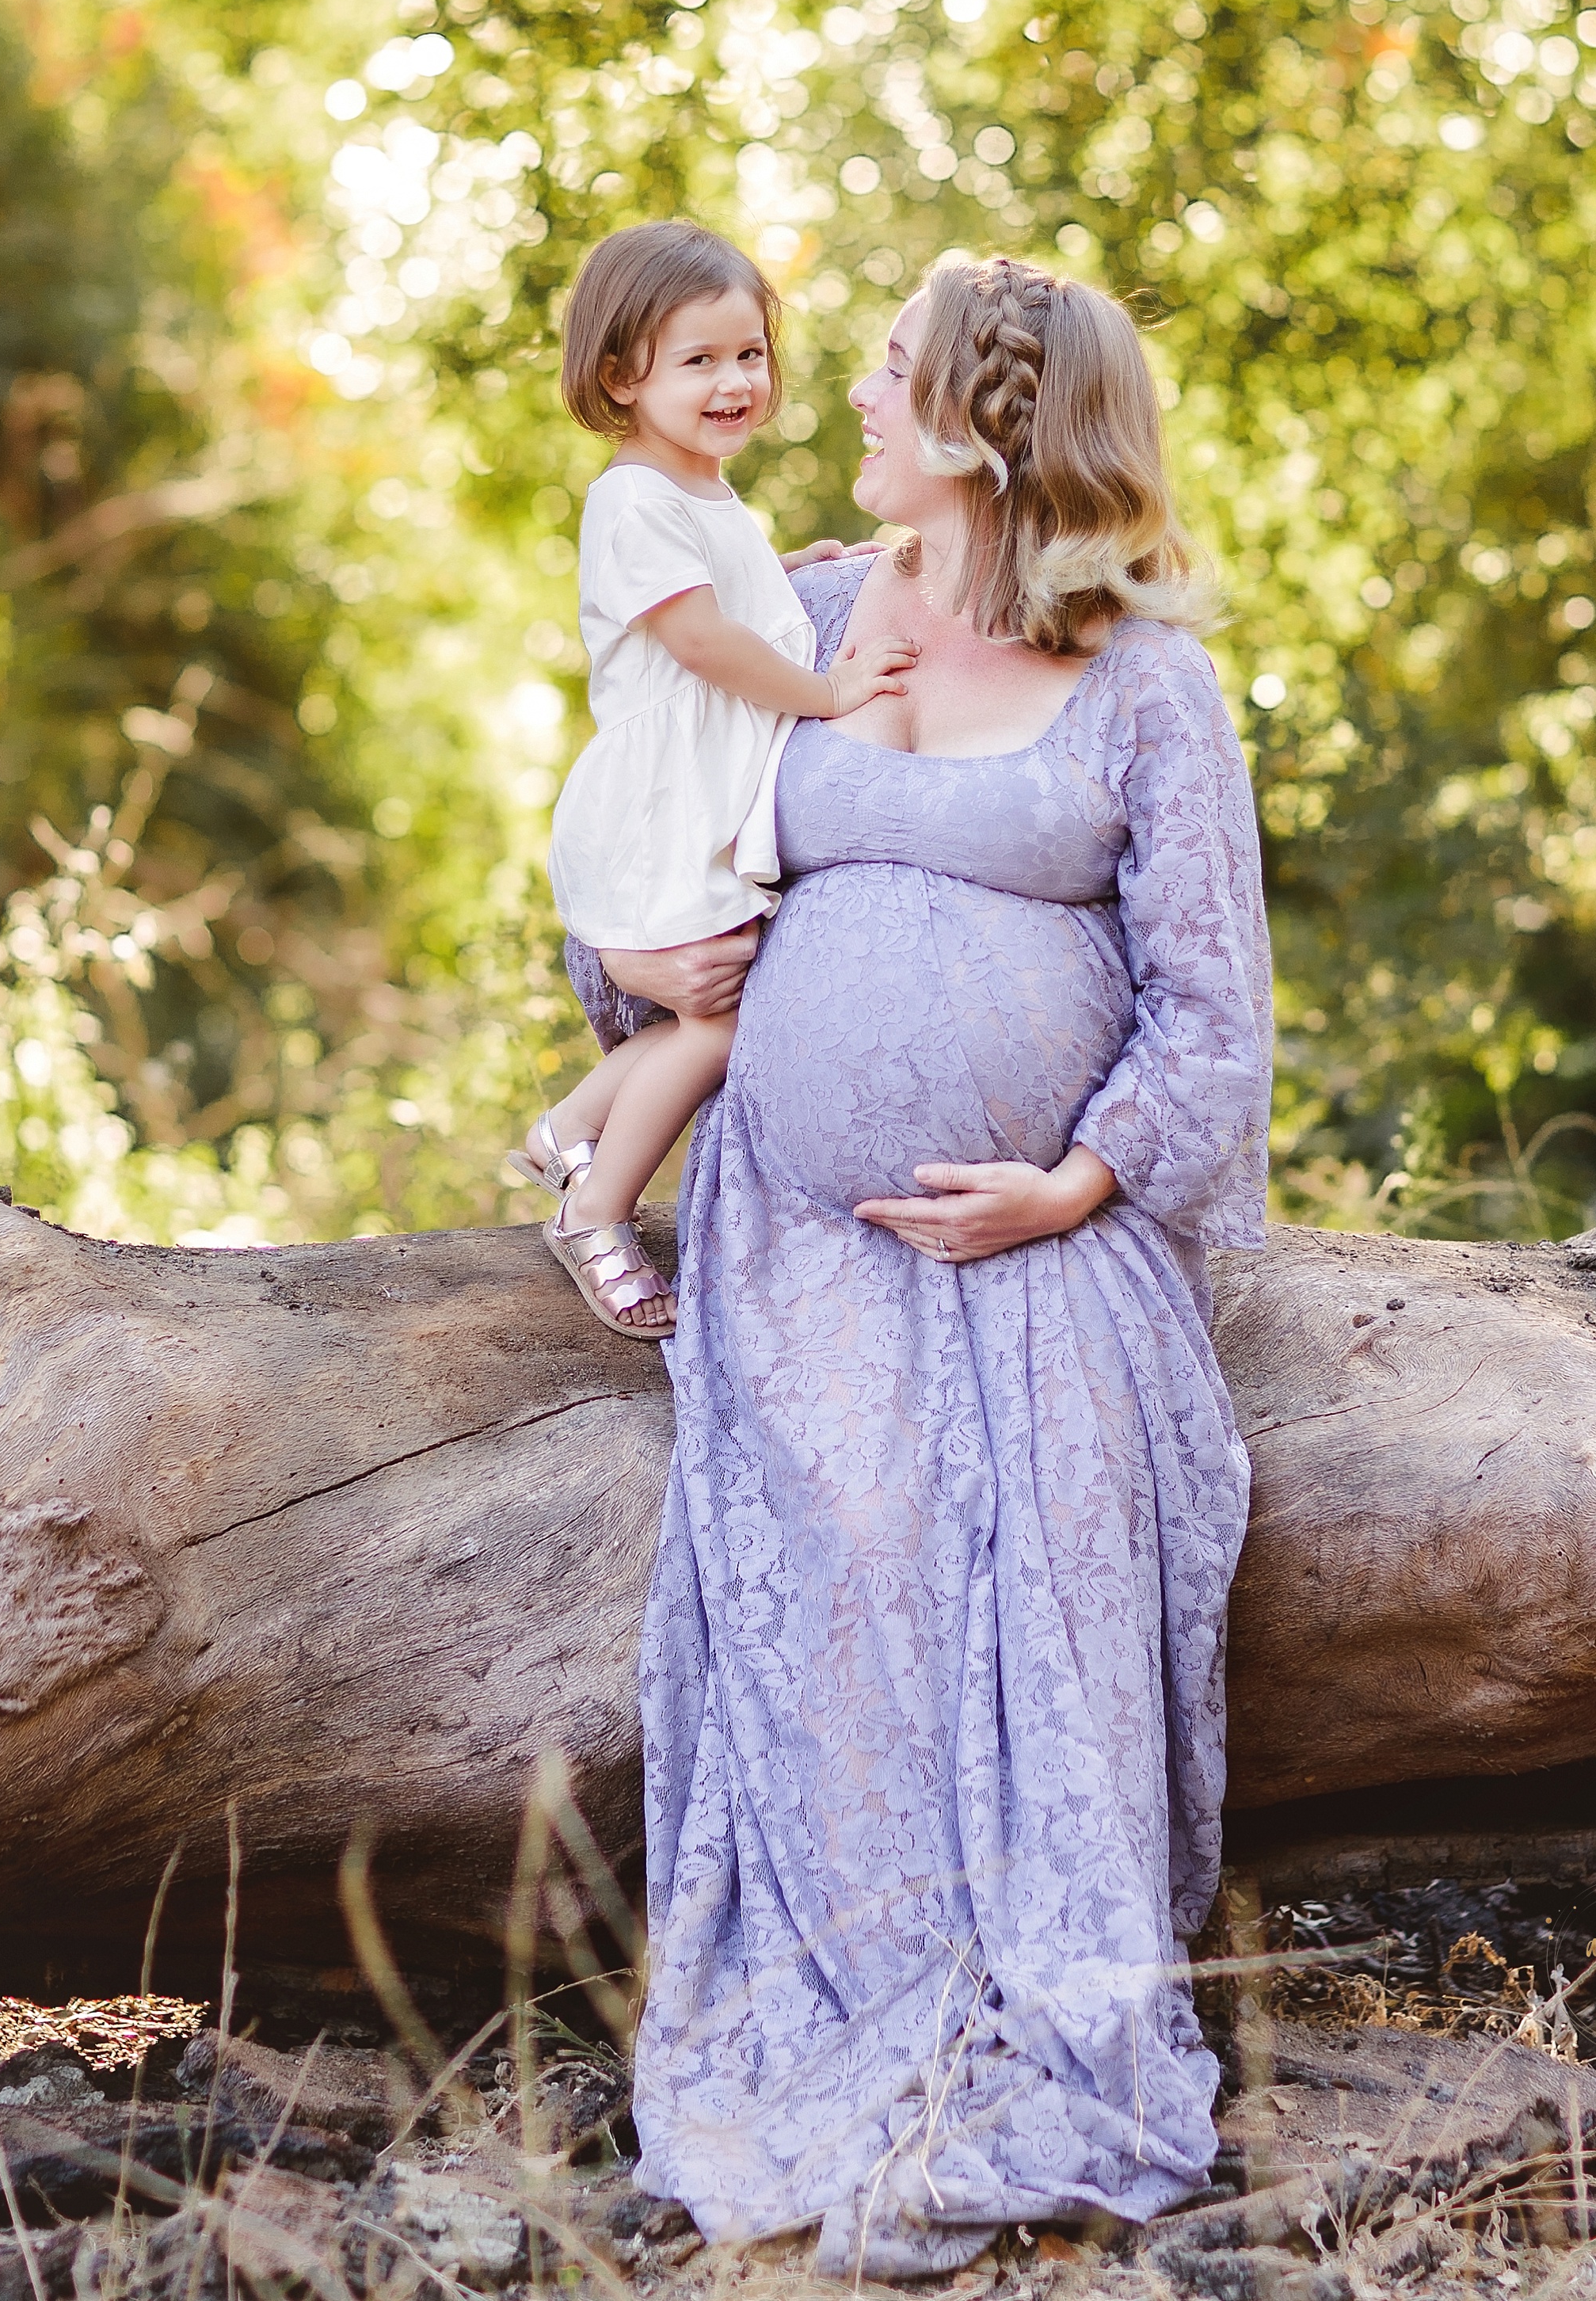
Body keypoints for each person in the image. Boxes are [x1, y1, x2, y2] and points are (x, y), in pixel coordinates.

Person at [566, 255, 1272, 2274]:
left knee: (1049, 1587)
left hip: (1047, 1257)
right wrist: (628, 961)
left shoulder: (1140, 679)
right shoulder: (780, 609)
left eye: (881, 374)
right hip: (800, 1257)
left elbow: (1214, 1012)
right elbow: (629, 824)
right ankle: (836, 2013)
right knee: (842, 1587)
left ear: (986, 425)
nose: (836, 401)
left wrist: (1073, 1186)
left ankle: (1026, 2043)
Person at [513, 222, 915, 1337]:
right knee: (717, 1019)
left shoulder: (698, 494)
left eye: (749, 354)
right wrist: (826, 689)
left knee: (716, 1004)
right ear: (619, 376)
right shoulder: (632, 497)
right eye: (698, 361)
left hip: (689, 810)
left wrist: (792, 577)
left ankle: (565, 1131)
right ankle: (594, 1210)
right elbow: (696, 642)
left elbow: (718, 601)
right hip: (656, 818)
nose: (734, 381)